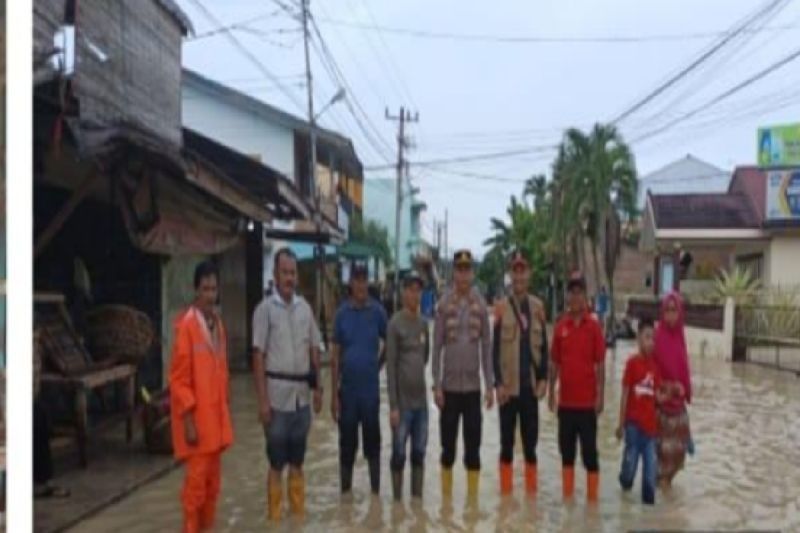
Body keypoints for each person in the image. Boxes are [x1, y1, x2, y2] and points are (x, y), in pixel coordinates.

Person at [252, 248, 323, 521]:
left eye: (293, 273)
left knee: (298, 461)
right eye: (285, 272)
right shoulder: (264, 310)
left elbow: (314, 348)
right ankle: (274, 519)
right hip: (276, 398)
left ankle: (297, 519)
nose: (289, 278)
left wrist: (318, 389)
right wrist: (262, 402)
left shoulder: (305, 308)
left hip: (301, 399)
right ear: (275, 274)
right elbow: (258, 355)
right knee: (275, 461)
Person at [170, 261, 234, 533]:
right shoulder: (187, 325)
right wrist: (187, 421)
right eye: (205, 289)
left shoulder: (218, 325)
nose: (210, 295)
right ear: (196, 290)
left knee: (213, 489)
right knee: (194, 492)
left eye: (214, 289)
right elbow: (178, 379)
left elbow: (223, 373)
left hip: (216, 425)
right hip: (198, 425)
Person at [432, 249, 495, 500]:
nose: (463, 273)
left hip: (472, 391)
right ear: (453, 272)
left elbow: (487, 348)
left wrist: (489, 385)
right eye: (459, 268)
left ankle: (472, 505)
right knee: (448, 450)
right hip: (448, 390)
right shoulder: (443, 305)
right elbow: (436, 348)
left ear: (472, 272)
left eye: (467, 269)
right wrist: (435, 385)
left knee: (473, 451)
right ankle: (446, 506)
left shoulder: (480, 306)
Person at [493, 249, 549, 495]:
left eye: (522, 271)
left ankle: (531, 499)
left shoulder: (538, 308)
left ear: (529, 275)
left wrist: (544, 379)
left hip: (529, 389)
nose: (518, 277)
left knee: (531, 447)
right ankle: (505, 500)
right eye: (514, 271)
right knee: (506, 446)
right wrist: (498, 384)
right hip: (508, 389)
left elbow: (544, 348)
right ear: (510, 276)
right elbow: (494, 351)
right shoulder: (501, 309)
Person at [331, 259, 388, 495]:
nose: (361, 284)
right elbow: (334, 356)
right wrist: (334, 395)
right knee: (347, 446)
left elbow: (389, 343)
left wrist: (378, 364)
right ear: (351, 283)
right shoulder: (341, 314)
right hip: (348, 392)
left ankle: (375, 494)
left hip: (371, 392)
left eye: (365, 280)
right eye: (357, 279)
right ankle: (346, 495)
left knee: (373, 445)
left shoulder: (378, 312)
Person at [548, 271, 606, 503]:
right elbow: (554, 362)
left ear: (585, 295)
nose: (575, 296)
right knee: (566, 455)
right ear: (567, 296)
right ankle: (568, 501)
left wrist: (601, 395)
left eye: (579, 291)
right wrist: (551, 391)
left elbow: (600, 363)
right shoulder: (560, 327)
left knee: (590, 455)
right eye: (571, 291)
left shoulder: (594, 328)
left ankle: (592, 504)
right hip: (566, 404)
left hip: (587, 405)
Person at [615, 318, 670, 505]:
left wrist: (667, 396)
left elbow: (657, 396)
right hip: (633, 428)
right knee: (629, 473)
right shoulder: (632, 364)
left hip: (651, 431)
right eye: (647, 337)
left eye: (653, 339)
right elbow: (624, 394)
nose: (651, 342)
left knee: (649, 479)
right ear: (638, 338)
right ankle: (624, 483)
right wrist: (620, 424)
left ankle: (648, 517)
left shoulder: (656, 367)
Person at [386, 270, 430, 501]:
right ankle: (396, 504)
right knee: (399, 454)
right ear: (403, 292)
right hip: (402, 406)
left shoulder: (423, 324)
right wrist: (393, 406)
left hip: (421, 404)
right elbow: (390, 367)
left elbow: (426, 358)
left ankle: (417, 502)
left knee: (419, 454)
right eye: (411, 289)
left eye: (418, 290)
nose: (415, 294)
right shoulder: (394, 324)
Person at [653, 291, 693, 488]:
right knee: (662, 458)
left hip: (678, 407)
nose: (670, 315)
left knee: (676, 458)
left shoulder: (680, 336)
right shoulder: (657, 336)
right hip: (662, 406)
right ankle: (663, 512)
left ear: (680, 313)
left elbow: (684, 366)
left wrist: (685, 389)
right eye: (667, 310)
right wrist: (668, 387)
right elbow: (651, 370)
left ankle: (667, 505)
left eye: (674, 310)